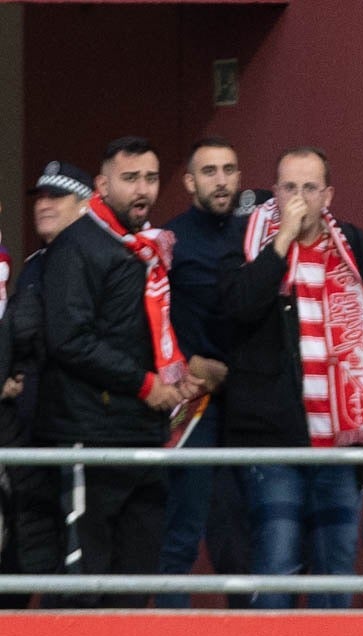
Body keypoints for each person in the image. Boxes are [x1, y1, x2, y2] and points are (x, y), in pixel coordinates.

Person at [218, 146, 363, 609]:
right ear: (274, 192)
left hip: (341, 439)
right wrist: (280, 245)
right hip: (275, 437)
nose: (298, 198)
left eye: (309, 188)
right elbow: (238, 309)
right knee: (277, 562)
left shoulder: (353, 245)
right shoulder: (247, 241)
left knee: (337, 567)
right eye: (289, 188)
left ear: (328, 194)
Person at [36, 137, 184, 607]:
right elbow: (68, 339)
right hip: (89, 436)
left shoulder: (146, 249)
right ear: (101, 184)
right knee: (85, 583)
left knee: (137, 585)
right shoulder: (78, 245)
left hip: (142, 433)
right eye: (130, 179)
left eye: (151, 178)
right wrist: (145, 384)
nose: (142, 190)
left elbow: (141, 332)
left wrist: (179, 372)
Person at [157, 137, 251, 609]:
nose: (221, 180)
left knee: (249, 534)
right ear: (191, 181)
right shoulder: (170, 240)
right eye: (210, 171)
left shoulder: (255, 237)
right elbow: (150, 316)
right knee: (183, 530)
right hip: (194, 402)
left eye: (229, 169)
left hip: (250, 402)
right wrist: (187, 361)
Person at [0, 161, 93, 599]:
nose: (44, 204)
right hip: (31, 429)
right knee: (31, 540)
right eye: (40, 196)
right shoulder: (34, 266)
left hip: (79, 427)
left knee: (73, 550)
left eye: (55, 196)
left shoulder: (101, 259)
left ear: (84, 204)